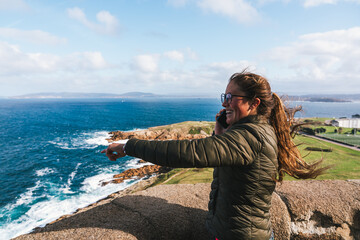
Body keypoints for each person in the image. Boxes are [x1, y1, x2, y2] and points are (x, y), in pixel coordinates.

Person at [101, 70, 328, 240]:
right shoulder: (253, 131)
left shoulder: (250, 137)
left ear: (254, 103)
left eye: (231, 97)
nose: (224, 103)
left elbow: (189, 153)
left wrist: (128, 145)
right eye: (224, 96)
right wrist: (221, 133)